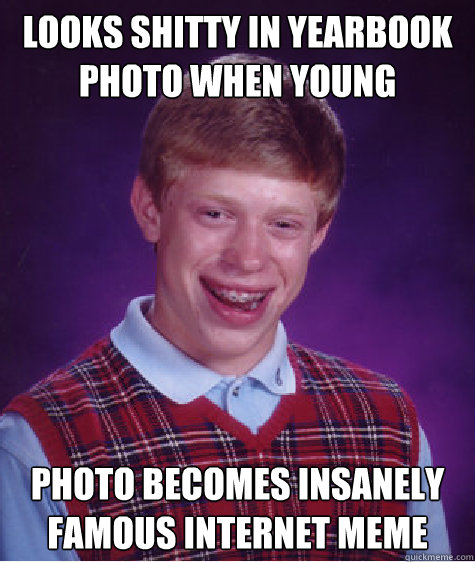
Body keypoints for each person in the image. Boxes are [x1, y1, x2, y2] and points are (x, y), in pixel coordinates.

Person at [0, 54, 450, 560]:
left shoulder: (387, 425)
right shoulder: (38, 448)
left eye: (283, 224)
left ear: (319, 234)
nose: (248, 258)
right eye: (215, 214)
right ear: (151, 210)